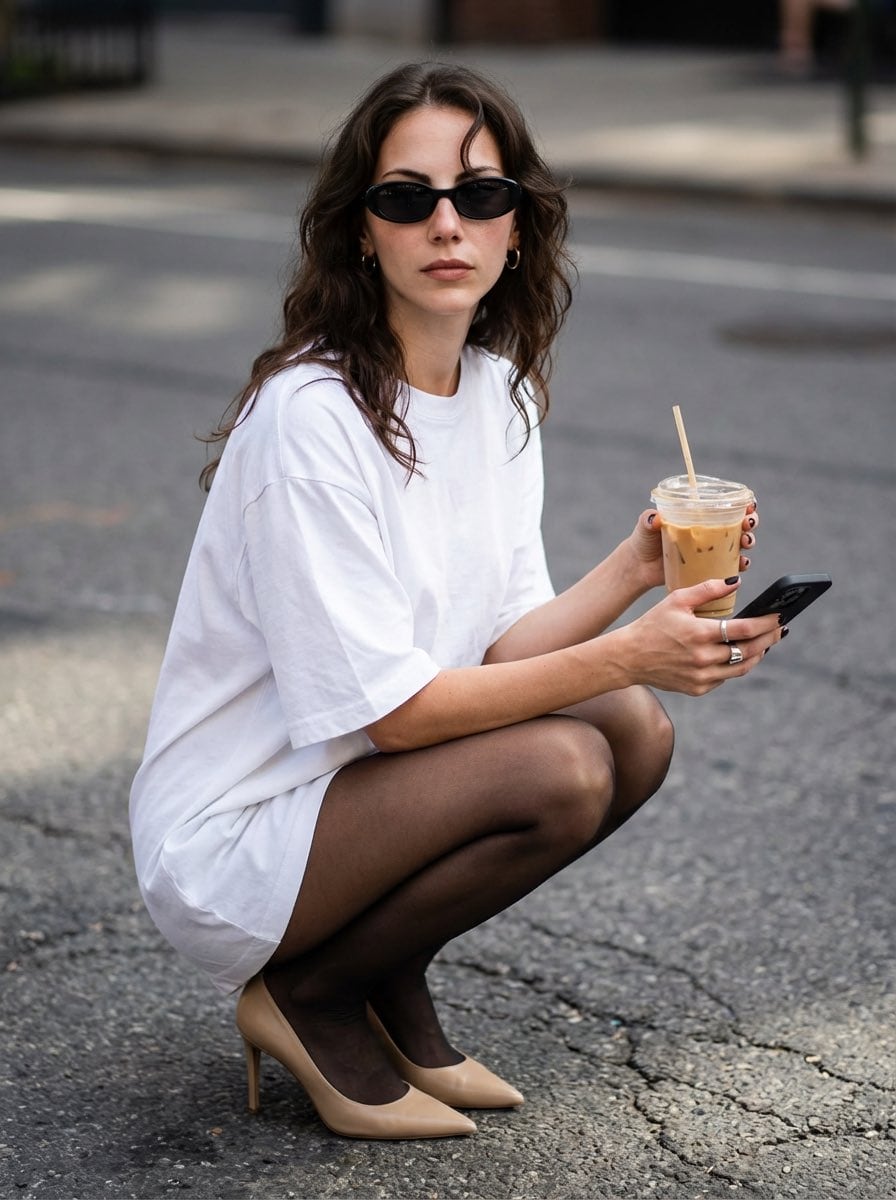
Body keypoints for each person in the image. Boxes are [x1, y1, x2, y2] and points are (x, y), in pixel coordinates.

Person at [129, 61, 784, 1142]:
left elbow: (495, 649)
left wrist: (632, 571)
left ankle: (382, 972)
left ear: (516, 227)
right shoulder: (311, 420)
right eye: (406, 197)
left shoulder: (496, 392)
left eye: (479, 195)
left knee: (632, 729)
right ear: (360, 231)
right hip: (245, 827)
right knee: (564, 758)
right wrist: (629, 652)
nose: (447, 223)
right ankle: (310, 992)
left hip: (363, 792)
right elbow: (390, 714)